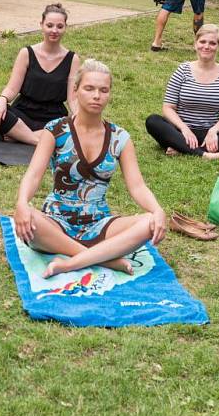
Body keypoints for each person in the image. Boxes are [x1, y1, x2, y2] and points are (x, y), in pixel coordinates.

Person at [14, 59, 167, 279]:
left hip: (99, 223)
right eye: (89, 88)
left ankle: (69, 263)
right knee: (29, 219)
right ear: (75, 91)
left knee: (149, 223)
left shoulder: (119, 137)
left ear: (109, 94)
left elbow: (137, 186)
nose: (97, 95)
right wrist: (22, 203)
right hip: (55, 222)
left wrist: (158, 210)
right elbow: (34, 174)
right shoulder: (55, 130)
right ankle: (105, 258)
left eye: (103, 90)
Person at [146, 24, 219, 159]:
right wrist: (183, 128)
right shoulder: (182, 70)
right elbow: (168, 108)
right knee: (153, 121)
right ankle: (204, 154)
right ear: (195, 44)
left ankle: (182, 148)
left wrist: (213, 131)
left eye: (212, 43)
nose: (206, 46)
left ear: (218, 46)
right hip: (180, 132)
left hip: (211, 135)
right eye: (202, 41)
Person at [0, 4, 80, 146]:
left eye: (60, 26)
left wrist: (78, 115)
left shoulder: (73, 59)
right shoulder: (26, 53)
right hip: (23, 115)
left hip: (53, 118)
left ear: (65, 27)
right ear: (41, 25)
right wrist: (2, 100)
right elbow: (12, 89)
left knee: (75, 124)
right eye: (49, 25)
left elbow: (72, 99)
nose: (54, 30)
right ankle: (36, 140)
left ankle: (19, 135)